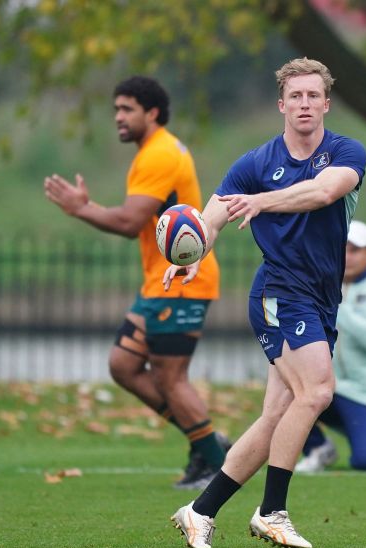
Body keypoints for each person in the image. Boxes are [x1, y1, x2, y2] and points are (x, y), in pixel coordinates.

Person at [166, 58, 366, 548]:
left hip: (320, 298)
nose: (304, 104)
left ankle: (200, 510)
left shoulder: (346, 152)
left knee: (279, 414)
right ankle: (271, 511)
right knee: (318, 392)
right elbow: (210, 218)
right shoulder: (255, 163)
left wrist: (263, 201)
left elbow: (324, 192)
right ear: (282, 105)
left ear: (326, 103)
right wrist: (194, 253)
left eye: (312, 96)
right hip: (280, 293)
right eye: (295, 96)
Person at [44, 75, 228, 489]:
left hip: (183, 281)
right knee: (123, 365)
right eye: (116, 110)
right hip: (159, 283)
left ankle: (215, 461)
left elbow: (129, 222)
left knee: (170, 378)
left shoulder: (159, 154)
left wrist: (81, 208)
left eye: (126, 109)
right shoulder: (153, 150)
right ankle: (205, 442)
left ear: (152, 112)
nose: (118, 118)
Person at [295, 220, 366, 473]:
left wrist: (338, 305)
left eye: (355, 250)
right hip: (324, 387)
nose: (347, 256)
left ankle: (364, 429)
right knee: (285, 387)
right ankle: (317, 447)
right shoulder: (318, 285)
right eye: (342, 248)